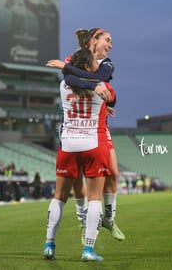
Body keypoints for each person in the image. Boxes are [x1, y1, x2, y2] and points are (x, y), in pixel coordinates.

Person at [46, 28, 125, 241]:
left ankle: (108, 218)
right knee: (75, 179)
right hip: (74, 125)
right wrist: (92, 86)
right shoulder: (76, 58)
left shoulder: (107, 63)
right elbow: (70, 81)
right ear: (94, 41)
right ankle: (84, 222)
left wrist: (69, 69)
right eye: (107, 40)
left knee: (114, 173)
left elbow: (100, 79)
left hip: (98, 123)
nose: (110, 45)